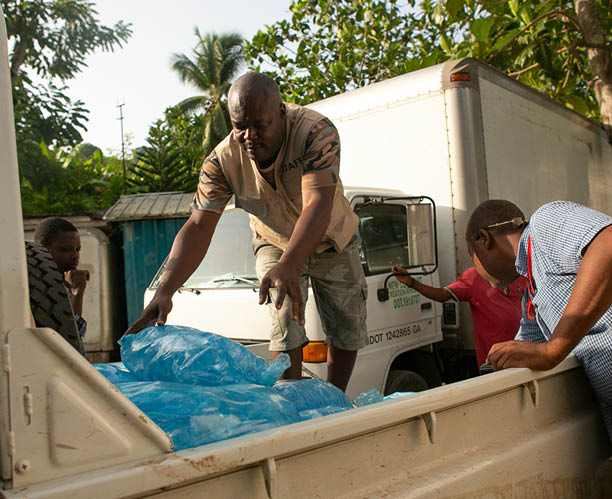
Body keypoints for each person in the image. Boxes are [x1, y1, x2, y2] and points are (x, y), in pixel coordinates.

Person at [124, 72, 367, 392]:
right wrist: (165, 291)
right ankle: (289, 404)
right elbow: (198, 226)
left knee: (345, 327)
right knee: (284, 322)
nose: (249, 136)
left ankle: (336, 398)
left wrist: (292, 264)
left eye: (259, 124)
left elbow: (318, 203)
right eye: (239, 126)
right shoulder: (220, 162)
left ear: (281, 112)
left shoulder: (315, 131)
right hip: (274, 241)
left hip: (332, 236)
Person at [465, 199, 612, 440]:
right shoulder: (533, 290)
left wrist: (552, 350)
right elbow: (526, 345)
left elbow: (608, 245)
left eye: (473, 257)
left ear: (484, 239)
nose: (482, 277)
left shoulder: (543, 223)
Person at [391, 264, 526, 367]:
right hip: (494, 360)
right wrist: (412, 283)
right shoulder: (474, 276)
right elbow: (443, 295)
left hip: (521, 353)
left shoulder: (518, 273)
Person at [34, 217, 90, 338]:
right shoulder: (37, 287)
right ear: (42, 250)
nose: (75, 256)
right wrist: (77, 292)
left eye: (78, 249)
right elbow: (72, 336)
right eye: (65, 249)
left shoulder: (62, 283)